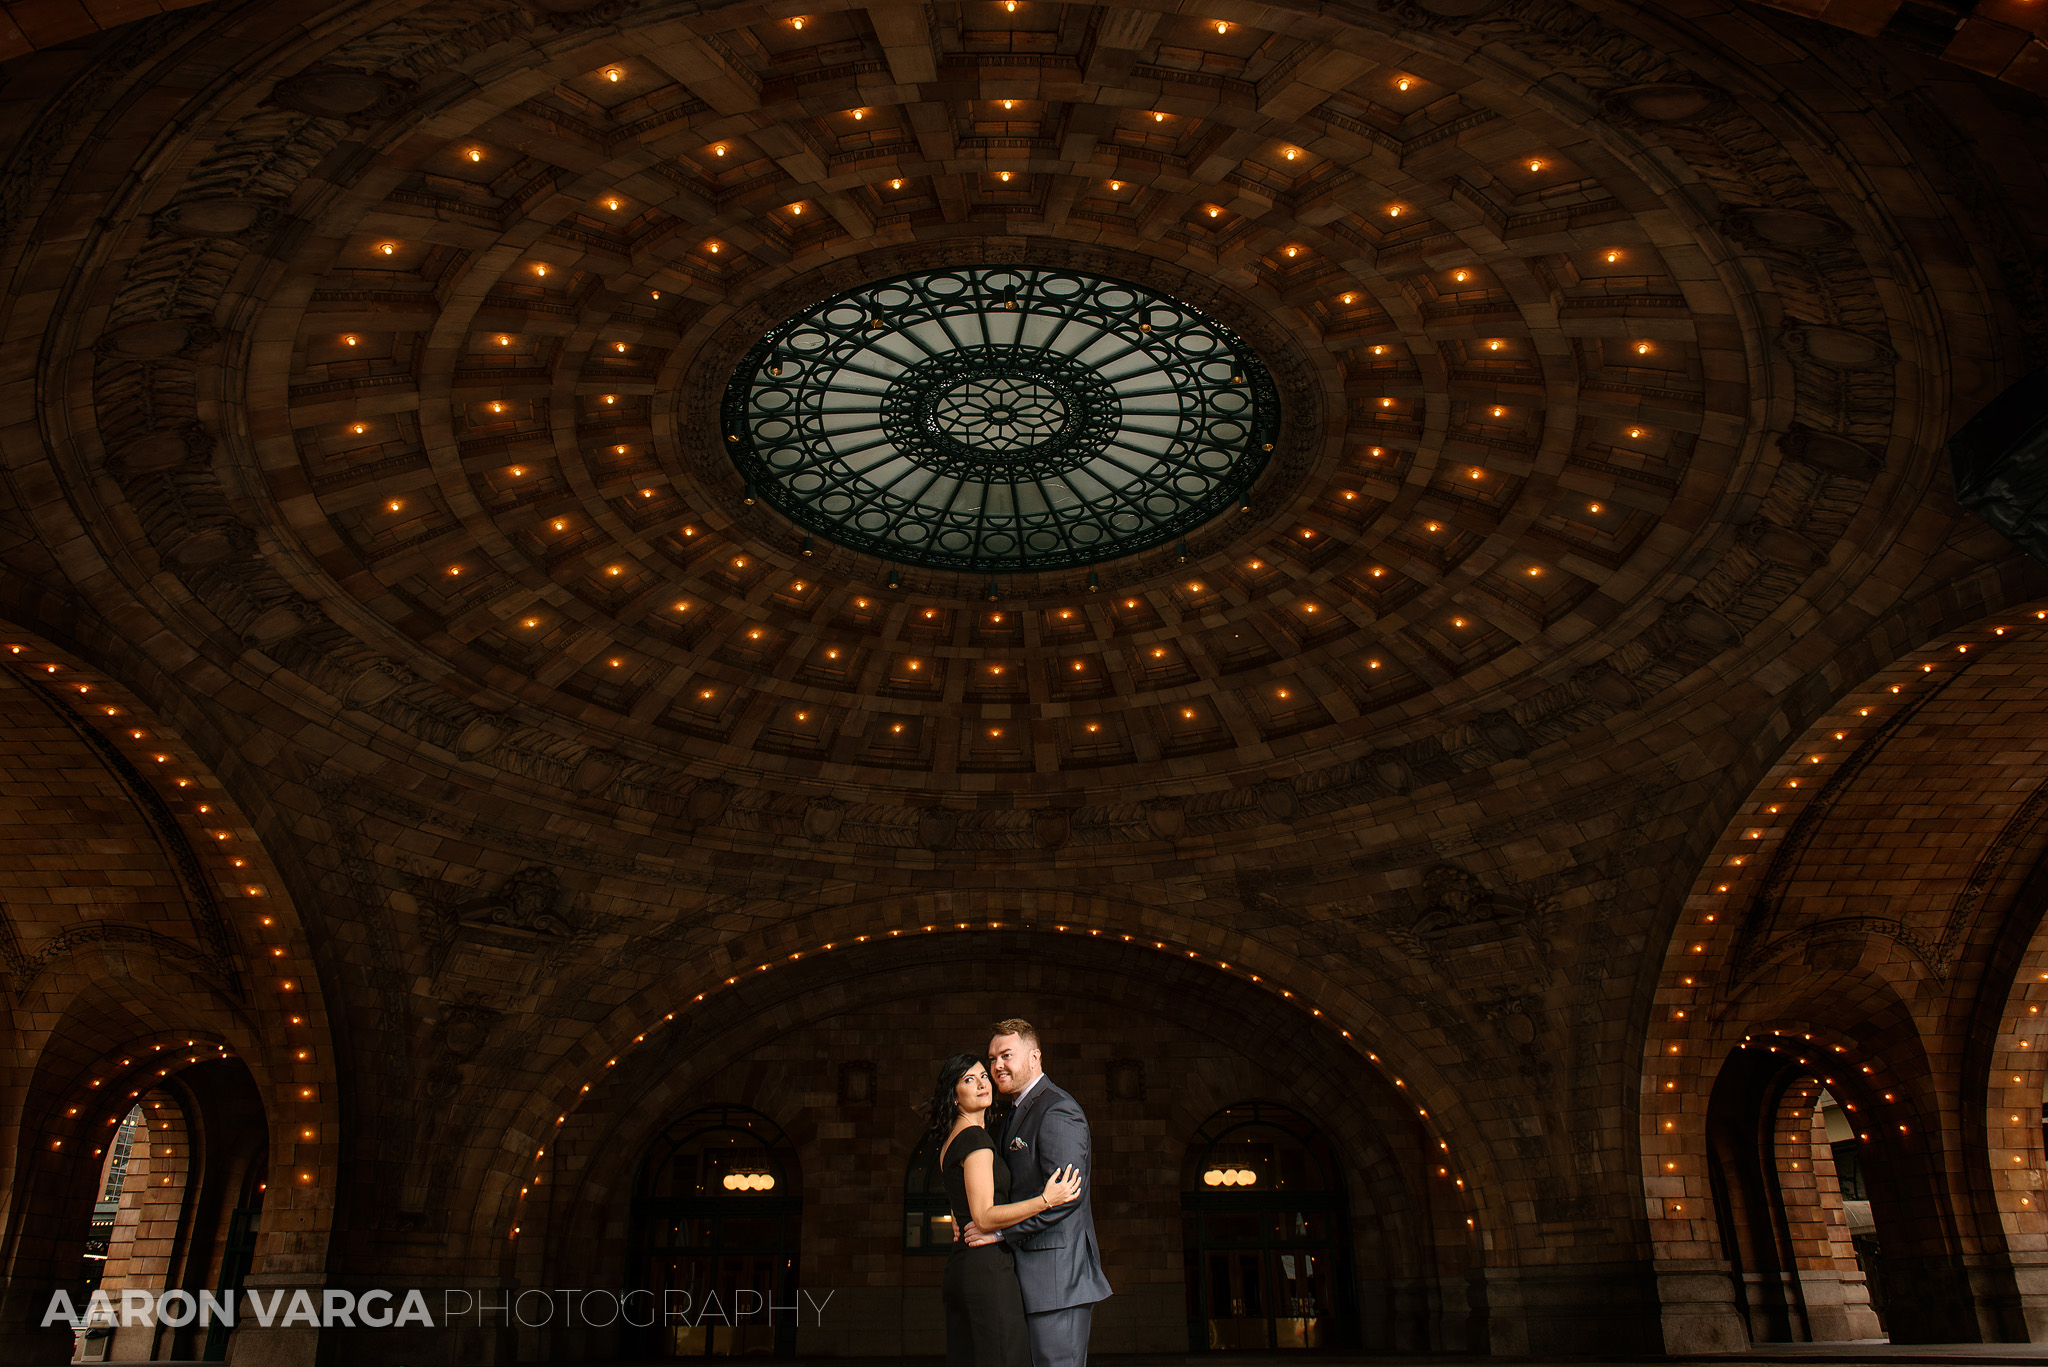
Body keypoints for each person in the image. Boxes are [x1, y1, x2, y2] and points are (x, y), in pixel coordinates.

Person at [963, 1019, 1113, 1367]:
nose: (997, 1065)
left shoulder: (1058, 1109)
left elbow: (1066, 1197)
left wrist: (999, 1231)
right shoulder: (1013, 1112)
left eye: (1006, 1055)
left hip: (1057, 1283)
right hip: (1025, 1282)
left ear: (1035, 1057)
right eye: (991, 1058)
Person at [927, 1051, 1083, 1367]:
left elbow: (964, 1200)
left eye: (984, 1075)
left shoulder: (950, 1141)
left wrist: (962, 1216)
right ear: (954, 1094)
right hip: (986, 1271)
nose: (982, 1083)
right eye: (968, 1080)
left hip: (961, 1267)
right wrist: (1046, 1199)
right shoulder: (975, 1140)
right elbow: (984, 1217)